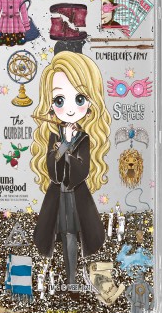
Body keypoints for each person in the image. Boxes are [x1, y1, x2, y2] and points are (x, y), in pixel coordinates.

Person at [30, 51, 111, 296]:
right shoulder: (54, 137)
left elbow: (82, 170)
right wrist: (63, 146)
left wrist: (67, 148)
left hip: (77, 197)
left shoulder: (84, 137)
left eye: (79, 98)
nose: (70, 109)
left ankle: (73, 278)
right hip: (58, 196)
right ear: (50, 104)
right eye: (59, 100)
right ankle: (62, 279)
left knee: (74, 235)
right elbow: (52, 171)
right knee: (58, 236)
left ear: (90, 102)